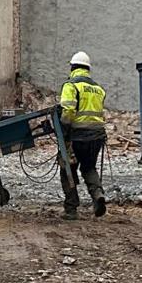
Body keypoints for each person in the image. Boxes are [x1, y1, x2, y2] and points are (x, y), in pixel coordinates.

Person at [58, 50, 107, 219]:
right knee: (88, 167)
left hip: (77, 136)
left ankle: (71, 208)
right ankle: (98, 195)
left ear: (72, 67)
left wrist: (63, 130)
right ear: (88, 69)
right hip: (97, 136)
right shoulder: (98, 89)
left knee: (68, 169)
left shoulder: (70, 86)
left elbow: (68, 112)